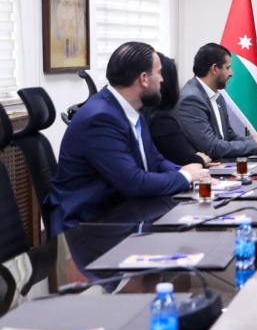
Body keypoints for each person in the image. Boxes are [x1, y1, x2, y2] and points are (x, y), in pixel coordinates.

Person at [45, 42, 209, 236]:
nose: (162, 79)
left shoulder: (130, 109)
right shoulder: (100, 118)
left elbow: (155, 159)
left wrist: (188, 173)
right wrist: (184, 177)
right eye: (159, 73)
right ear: (144, 79)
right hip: (87, 228)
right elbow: (134, 183)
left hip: (121, 215)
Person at [176, 43, 257, 159]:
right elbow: (211, 147)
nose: (231, 73)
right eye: (227, 68)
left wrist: (256, 140)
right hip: (203, 168)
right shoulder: (191, 100)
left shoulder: (217, 96)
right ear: (214, 69)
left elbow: (229, 137)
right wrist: (255, 145)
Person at [147, 53, 213, 167]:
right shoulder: (161, 118)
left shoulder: (143, 111)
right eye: (158, 73)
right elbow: (185, 157)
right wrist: (199, 159)